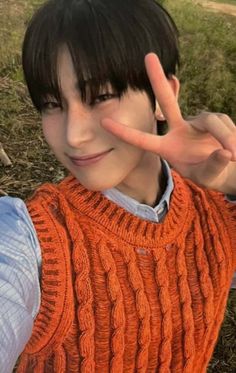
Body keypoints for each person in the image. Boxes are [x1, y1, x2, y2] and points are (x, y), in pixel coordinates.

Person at [0, 0, 235, 372]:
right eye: (51, 104)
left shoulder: (219, 214)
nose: (73, 136)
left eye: (102, 96)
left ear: (163, 98)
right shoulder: (32, 240)